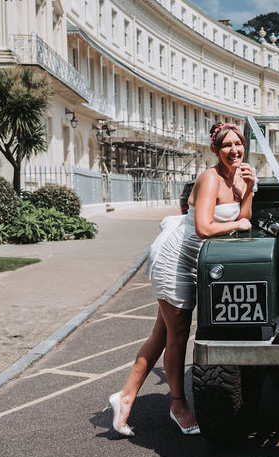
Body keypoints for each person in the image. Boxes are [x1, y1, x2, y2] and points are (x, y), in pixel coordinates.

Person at [108, 123, 255, 436]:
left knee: (162, 336)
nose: (234, 151)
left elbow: (246, 218)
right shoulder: (210, 178)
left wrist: (250, 189)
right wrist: (237, 225)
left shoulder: (237, 178)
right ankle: (178, 405)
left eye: (238, 145)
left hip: (198, 261)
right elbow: (203, 227)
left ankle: (124, 398)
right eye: (227, 146)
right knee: (176, 337)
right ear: (215, 150)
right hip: (177, 261)